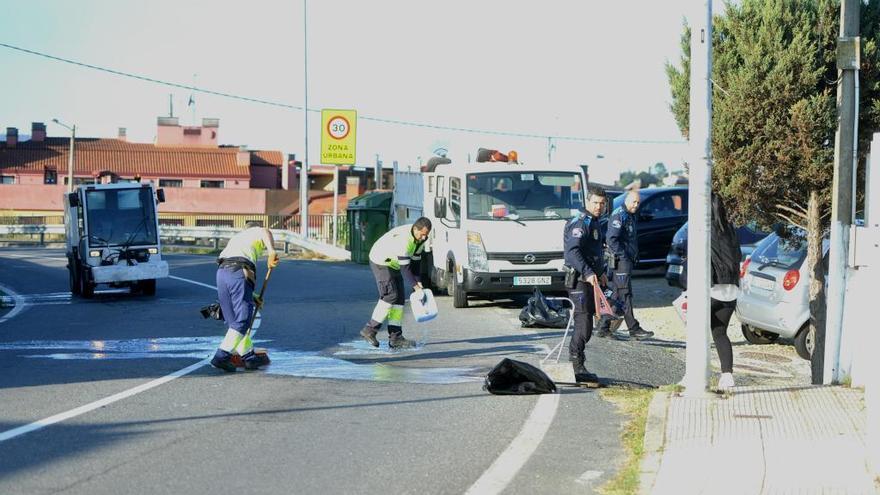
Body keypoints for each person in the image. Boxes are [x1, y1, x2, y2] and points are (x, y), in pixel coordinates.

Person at [211, 222, 279, 372]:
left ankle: (248, 357)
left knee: (233, 321)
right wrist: (272, 251)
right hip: (239, 270)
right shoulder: (256, 231)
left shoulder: (237, 239)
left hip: (222, 272)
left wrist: (251, 295)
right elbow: (264, 231)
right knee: (243, 319)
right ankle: (221, 356)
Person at [360, 217, 432, 349]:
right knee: (390, 295)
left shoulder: (422, 238)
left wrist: (419, 282)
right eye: (422, 234)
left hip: (394, 263)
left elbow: (415, 262)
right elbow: (405, 269)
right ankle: (369, 330)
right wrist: (416, 287)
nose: (424, 237)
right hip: (381, 260)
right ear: (415, 229)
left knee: (399, 300)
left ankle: (396, 338)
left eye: (426, 235)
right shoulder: (403, 239)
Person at [563, 185, 609, 383]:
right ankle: (576, 366)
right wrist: (589, 272)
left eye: (602, 203)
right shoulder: (581, 223)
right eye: (595, 203)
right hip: (579, 280)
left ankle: (578, 364)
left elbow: (593, 252)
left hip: (590, 279)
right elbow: (573, 252)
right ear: (587, 202)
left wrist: (601, 273)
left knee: (588, 324)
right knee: (583, 324)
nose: (598, 206)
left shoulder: (595, 222)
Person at [597, 189, 654, 340]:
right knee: (624, 295)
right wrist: (624, 256)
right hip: (620, 262)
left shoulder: (630, 215)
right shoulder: (619, 215)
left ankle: (603, 325)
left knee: (619, 295)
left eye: (638, 203)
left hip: (626, 261)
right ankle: (633, 328)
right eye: (634, 202)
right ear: (627, 201)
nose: (636, 205)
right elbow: (612, 240)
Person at [708, 194, 743, 390]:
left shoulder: (705, 229)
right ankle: (727, 375)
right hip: (731, 290)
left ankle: (694, 375)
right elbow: (737, 255)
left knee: (696, 330)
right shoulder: (729, 229)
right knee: (720, 332)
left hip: (712, 289)